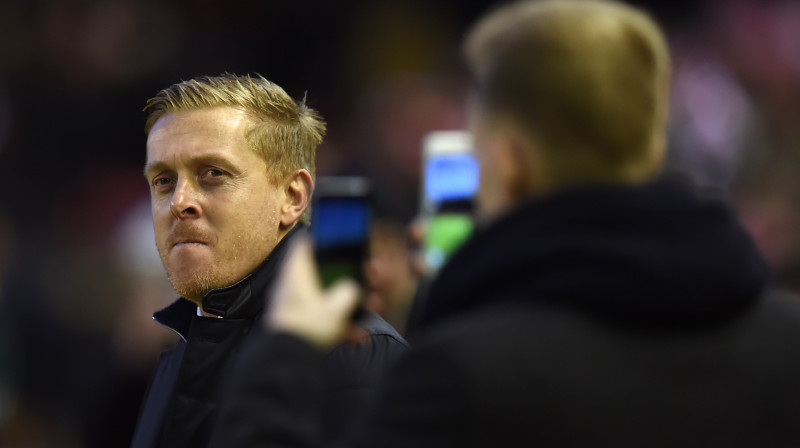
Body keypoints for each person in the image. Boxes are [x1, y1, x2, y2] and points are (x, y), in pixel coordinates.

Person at [211, 1, 800, 447]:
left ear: (511, 160)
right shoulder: (784, 338)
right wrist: (433, 305)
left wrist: (289, 343)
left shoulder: (467, 377)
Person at [129, 74, 408, 448]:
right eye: (163, 180)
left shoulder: (356, 354)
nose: (179, 202)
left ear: (293, 197)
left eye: (213, 174)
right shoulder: (179, 350)